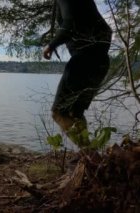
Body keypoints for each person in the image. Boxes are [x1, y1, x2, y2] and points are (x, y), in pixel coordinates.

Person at [43, 0, 112, 147]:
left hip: (84, 60)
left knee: (59, 112)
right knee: (75, 113)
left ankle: (88, 154)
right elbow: (107, 31)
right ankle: (90, 158)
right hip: (101, 62)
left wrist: (51, 45)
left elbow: (69, 25)